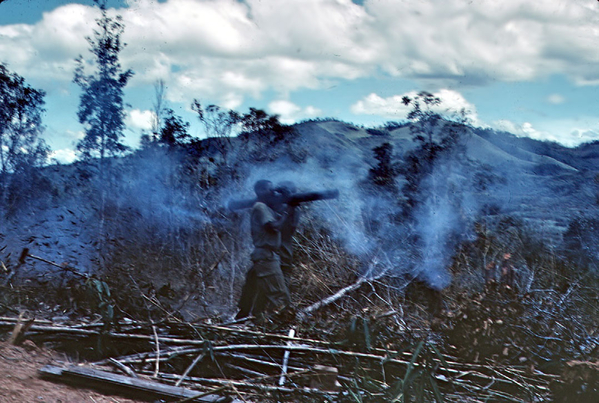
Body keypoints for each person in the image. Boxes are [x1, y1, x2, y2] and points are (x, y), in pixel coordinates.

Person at [236, 180, 291, 321]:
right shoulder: (260, 207)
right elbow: (274, 226)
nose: (273, 192)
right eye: (269, 189)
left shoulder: (266, 208)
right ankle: (280, 329)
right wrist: (286, 211)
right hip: (266, 256)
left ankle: (245, 320)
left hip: (263, 256)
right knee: (279, 295)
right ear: (259, 191)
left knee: (255, 292)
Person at [275, 181, 301, 287]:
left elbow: (286, 226)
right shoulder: (285, 208)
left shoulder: (293, 209)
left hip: (283, 247)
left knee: (282, 278)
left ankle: (283, 302)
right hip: (275, 249)